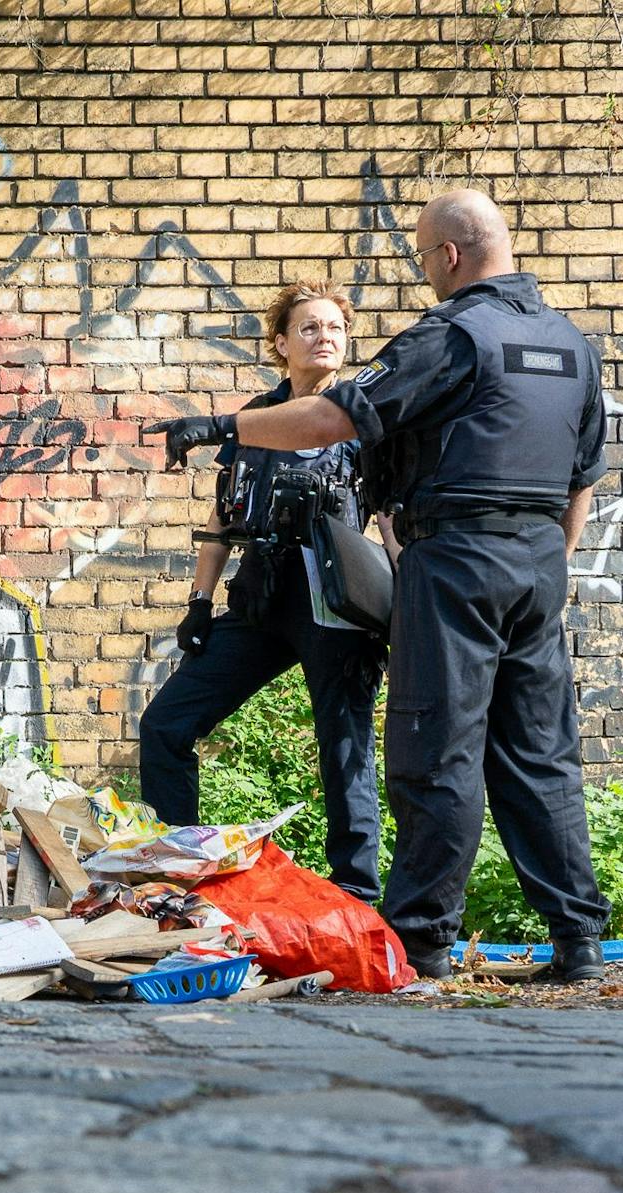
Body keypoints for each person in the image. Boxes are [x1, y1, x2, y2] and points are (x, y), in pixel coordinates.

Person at [150, 189, 612, 982]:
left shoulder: (453, 336)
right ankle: (578, 941)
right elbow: (583, 479)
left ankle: (420, 939)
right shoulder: (570, 345)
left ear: (450, 256)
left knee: (435, 747)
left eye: (426, 258)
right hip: (537, 563)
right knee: (542, 754)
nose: (427, 273)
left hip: (457, 556)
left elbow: (336, 418)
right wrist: (548, 563)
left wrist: (222, 427)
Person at [139, 281, 386, 902]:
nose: (324, 336)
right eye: (309, 327)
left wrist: (405, 604)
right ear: (280, 343)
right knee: (166, 725)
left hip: (336, 598)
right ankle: (179, 877)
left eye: (334, 327)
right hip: (260, 595)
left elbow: (389, 517)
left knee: (344, 742)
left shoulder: (362, 418)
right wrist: (199, 601)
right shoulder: (257, 417)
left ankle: (356, 894)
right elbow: (224, 515)